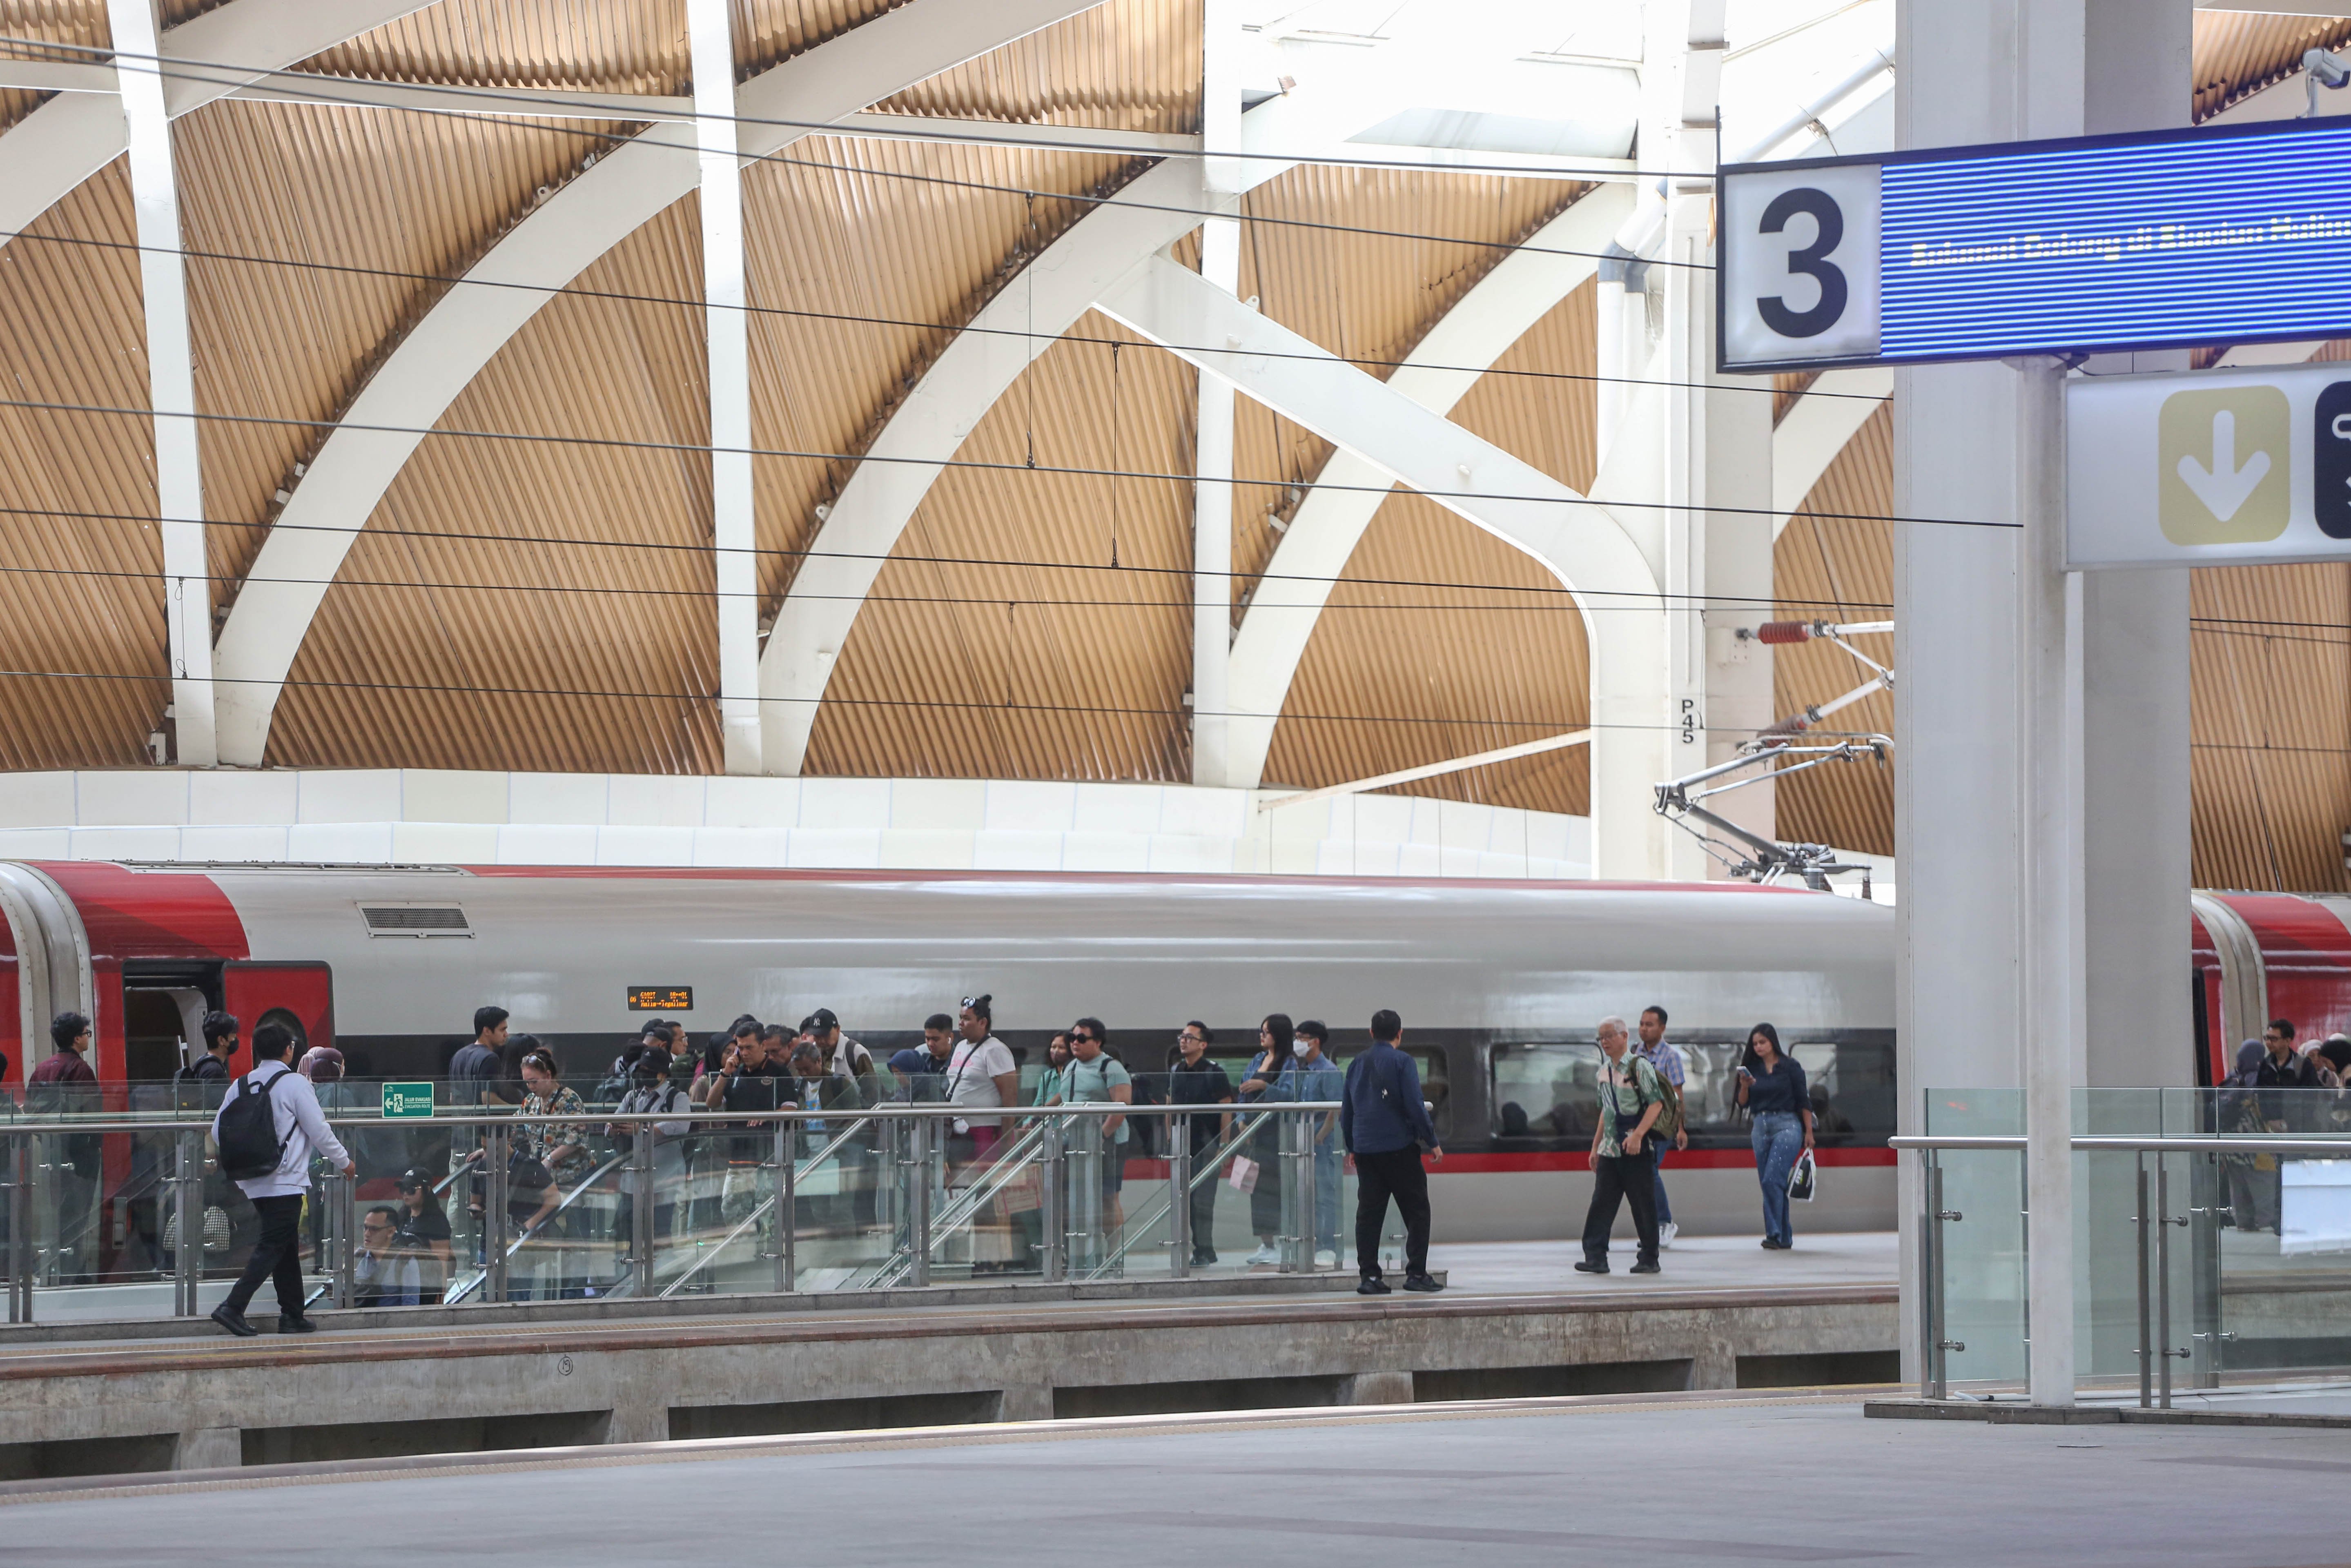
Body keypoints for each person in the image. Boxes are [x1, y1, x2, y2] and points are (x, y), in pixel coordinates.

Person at [209, 1021, 354, 1336]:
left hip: (252, 1179)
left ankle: (292, 1314)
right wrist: (345, 1162)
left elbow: (216, 1131)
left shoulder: (241, 1083)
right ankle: (232, 1307)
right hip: (284, 1178)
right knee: (273, 1245)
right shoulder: (296, 1084)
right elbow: (320, 1132)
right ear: (289, 1050)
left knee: (285, 1246)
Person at [1342, 1009, 1443, 1295]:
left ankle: (1369, 1277)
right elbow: (1415, 1103)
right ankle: (1416, 1274)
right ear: (1399, 1034)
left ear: (1372, 1033)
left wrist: (1352, 1146)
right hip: (1399, 1150)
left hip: (1366, 1152)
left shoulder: (1356, 1064)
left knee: (1369, 1215)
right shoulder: (1403, 1062)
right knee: (1417, 1212)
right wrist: (1431, 1140)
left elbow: (1347, 1111)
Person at [1576, 1015, 1664, 1276]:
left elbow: (1656, 1104)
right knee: (1601, 1204)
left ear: (1624, 1037)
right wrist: (1595, 1148)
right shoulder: (1604, 1071)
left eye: (1609, 1036)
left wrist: (1638, 1135)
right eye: (1601, 1037)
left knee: (1643, 1205)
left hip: (1636, 1149)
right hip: (1610, 1150)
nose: (1604, 1042)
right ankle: (1595, 1257)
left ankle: (1649, 1258)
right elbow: (1606, 1111)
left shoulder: (1639, 1067)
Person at [29, 1011, 100, 1280]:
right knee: (77, 1218)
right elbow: (93, 1115)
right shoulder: (81, 1070)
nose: (88, 1039)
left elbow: (34, 1115)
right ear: (76, 1038)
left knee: (56, 1215)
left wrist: (50, 1143)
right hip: (81, 1159)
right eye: (86, 1033)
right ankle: (70, 1273)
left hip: (52, 1155)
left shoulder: (42, 1069)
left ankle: (54, 1270)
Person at [1270, 1018, 1345, 1267]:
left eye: (1301, 1038)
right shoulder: (1302, 1070)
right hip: (1303, 1145)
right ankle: (1310, 1242)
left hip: (1322, 1146)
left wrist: (1321, 1135)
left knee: (1325, 1197)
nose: (1297, 1043)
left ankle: (1329, 1246)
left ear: (1316, 1042)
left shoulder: (1329, 1072)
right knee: (1307, 1196)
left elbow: (1336, 1110)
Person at [1736, 1022, 1813, 1250]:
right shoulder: (1751, 1069)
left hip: (1787, 1124)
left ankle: (1774, 1234)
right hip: (1760, 1125)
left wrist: (1809, 1132)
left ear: (1773, 1043)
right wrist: (1744, 1086)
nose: (1758, 1047)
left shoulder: (1790, 1067)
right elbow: (1743, 1103)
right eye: (1755, 1044)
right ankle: (1784, 1236)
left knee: (1773, 1179)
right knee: (1771, 1182)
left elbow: (1803, 1100)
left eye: (1763, 1042)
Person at [609, 1051, 691, 1265]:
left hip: (664, 1176)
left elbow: (681, 1125)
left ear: (663, 1074)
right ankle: (632, 1272)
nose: (645, 1075)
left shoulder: (677, 1098)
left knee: (660, 1229)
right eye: (642, 1071)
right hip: (633, 1175)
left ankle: (662, 1275)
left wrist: (643, 1129)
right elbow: (614, 1119)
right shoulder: (632, 1097)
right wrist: (613, 1127)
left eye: (650, 1072)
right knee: (629, 1227)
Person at [1061, 1018, 1132, 1254]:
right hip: (1075, 1139)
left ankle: (1114, 1252)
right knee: (1073, 1195)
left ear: (1098, 1042)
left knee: (1107, 1197)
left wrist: (1101, 1136)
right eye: (1072, 1038)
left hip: (1107, 1141)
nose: (1075, 1043)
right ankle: (1081, 1250)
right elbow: (1061, 1098)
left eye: (1082, 1039)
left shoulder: (1111, 1069)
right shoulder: (1071, 1067)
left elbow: (1121, 1107)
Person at [1167, 1022, 1233, 1265]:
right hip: (1183, 1147)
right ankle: (1195, 1248)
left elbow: (1227, 1110)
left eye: (1189, 1037)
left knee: (1203, 1201)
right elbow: (1169, 1104)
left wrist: (1224, 1147)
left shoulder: (1214, 1072)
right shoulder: (1176, 1070)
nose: (1183, 1041)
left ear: (1203, 1045)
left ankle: (1205, 1249)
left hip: (1208, 1147)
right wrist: (1169, 1138)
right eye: (1181, 1036)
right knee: (1185, 1200)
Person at [446, 1006, 509, 1258]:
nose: (507, 1035)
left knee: (458, 1196)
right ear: (487, 1031)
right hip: (481, 1141)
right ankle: (480, 1255)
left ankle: (455, 1251)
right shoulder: (490, 1059)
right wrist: (522, 1109)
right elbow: (487, 1100)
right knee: (484, 1198)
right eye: (503, 1029)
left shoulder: (459, 1056)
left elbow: (452, 1098)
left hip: (458, 1138)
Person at [1237, 1015, 1294, 1266]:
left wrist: (1264, 1086)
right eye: (1261, 1031)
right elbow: (1242, 1090)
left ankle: (1284, 1242)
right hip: (1255, 1137)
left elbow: (1292, 1096)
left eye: (1267, 1032)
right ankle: (1266, 1243)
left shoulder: (1289, 1063)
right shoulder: (1257, 1060)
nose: (1262, 1036)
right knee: (1257, 1192)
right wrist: (1241, 1119)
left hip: (1278, 1138)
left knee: (1278, 1191)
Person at [1635, 1005, 1688, 1249]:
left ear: (1662, 1028)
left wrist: (1680, 1129)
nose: (1644, 1029)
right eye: (1642, 1024)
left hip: (1662, 1125)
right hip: (1641, 1123)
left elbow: (1677, 1096)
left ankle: (1665, 1223)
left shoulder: (1670, 1057)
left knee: (1649, 1171)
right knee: (1644, 1176)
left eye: (1650, 1025)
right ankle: (1652, 1228)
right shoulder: (1636, 1053)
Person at [391, 1168, 454, 1303]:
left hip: (424, 1285)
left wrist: (440, 1294)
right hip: (399, 1280)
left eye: (412, 1189)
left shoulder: (437, 1221)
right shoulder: (402, 1216)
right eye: (403, 1189)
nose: (406, 1194)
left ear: (427, 1190)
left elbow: (442, 1261)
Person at [354, 1205, 421, 1308]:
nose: (367, 1234)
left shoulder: (404, 1261)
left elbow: (410, 1306)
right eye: (366, 1228)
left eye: (374, 1229)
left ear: (390, 1232)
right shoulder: (358, 1257)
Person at [174, 1011, 238, 1107]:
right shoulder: (214, 1071)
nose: (235, 1038)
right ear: (222, 1040)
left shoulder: (204, 1064)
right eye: (233, 1035)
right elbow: (215, 1108)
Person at [889, 1014, 959, 1097]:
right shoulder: (920, 1060)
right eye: (928, 1039)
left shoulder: (959, 1063)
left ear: (950, 1037)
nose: (930, 1044)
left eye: (936, 1039)